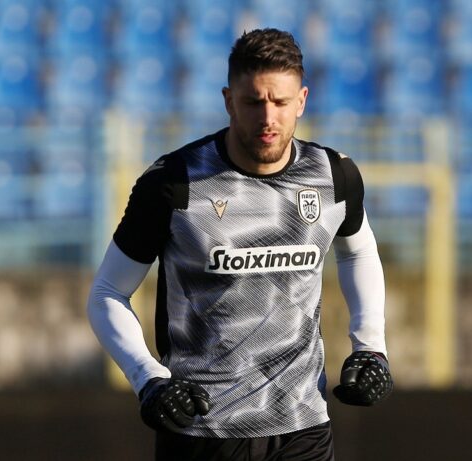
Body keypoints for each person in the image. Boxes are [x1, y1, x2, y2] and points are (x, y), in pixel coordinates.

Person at [87, 28, 392, 460]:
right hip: (200, 430)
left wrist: (371, 347)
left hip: (303, 428)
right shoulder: (175, 182)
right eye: (253, 102)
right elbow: (106, 293)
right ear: (229, 101)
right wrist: (149, 380)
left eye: (280, 102)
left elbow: (358, 251)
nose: (268, 118)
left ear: (302, 100)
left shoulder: (334, 176)